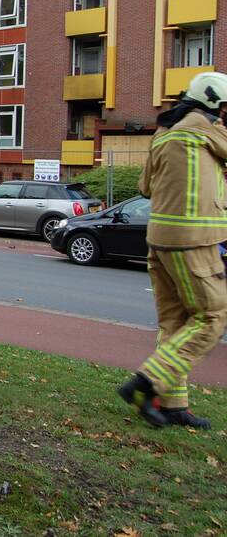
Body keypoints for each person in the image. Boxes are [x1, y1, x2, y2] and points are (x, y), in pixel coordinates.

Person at [118, 72, 227, 430]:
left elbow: (145, 187)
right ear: (216, 105)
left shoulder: (164, 132)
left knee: (174, 324)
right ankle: (146, 383)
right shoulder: (207, 128)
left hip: (159, 241)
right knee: (212, 316)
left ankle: (172, 405)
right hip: (194, 242)